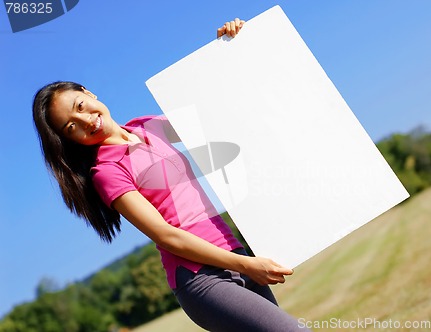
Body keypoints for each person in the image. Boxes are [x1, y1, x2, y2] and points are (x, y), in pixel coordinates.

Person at [32, 19, 310, 332]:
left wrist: (228, 51)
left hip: (234, 252)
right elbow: (166, 235)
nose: (86, 120)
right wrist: (246, 265)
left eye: (80, 105)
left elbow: (215, 114)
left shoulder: (147, 125)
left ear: (88, 93)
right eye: (71, 126)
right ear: (69, 141)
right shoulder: (106, 172)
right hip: (200, 278)